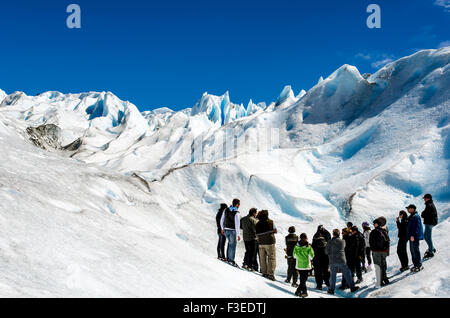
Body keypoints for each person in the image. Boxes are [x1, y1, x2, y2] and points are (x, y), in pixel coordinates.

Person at [325, 229, 360, 295]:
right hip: (341, 260)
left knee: (333, 276)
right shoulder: (343, 241)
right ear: (339, 234)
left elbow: (326, 251)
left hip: (332, 260)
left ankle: (331, 289)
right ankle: (352, 287)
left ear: (333, 234)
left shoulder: (329, 242)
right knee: (347, 273)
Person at [255, 210, 277, 281]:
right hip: (269, 242)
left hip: (261, 243)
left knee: (262, 258)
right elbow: (275, 230)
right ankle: (270, 274)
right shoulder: (270, 222)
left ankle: (264, 272)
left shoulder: (257, 224)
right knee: (271, 258)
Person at [370, 217, 390, 288]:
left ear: (376, 224)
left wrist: (373, 249)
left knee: (378, 266)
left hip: (376, 252)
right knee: (383, 265)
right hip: (384, 251)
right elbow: (388, 240)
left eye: (374, 224)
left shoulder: (373, 232)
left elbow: (371, 242)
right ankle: (385, 278)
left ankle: (380, 281)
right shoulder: (384, 231)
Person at [220, 199, 241, 267]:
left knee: (229, 243)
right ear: (237, 204)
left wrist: (222, 228)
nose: (239, 205)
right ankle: (231, 260)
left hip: (226, 230)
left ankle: (228, 258)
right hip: (232, 231)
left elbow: (222, 219)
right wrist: (238, 234)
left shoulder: (226, 210)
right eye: (239, 204)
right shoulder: (236, 212)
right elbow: (237, 224)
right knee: (232, 245)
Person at [293, 233, 315, 298]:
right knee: (304, 280)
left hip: (299, 265)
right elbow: (312, 256)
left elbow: (294, 256)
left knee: (302, 279)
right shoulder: (308, 247)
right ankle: (303, 292)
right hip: (306, 265)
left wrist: (299, 257)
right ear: (306, 238)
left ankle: (299, 291)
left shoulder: (296, 246)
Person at [407, 204, 424, 272]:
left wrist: (413, 235)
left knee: (416, 250)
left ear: (412, 209)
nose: (408, 210)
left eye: (408, 208)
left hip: (414, 237)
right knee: (413, 251)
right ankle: (415, 265)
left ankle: (419, 265)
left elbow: (417, 227)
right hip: (411, 236)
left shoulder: (415, 216)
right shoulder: (411, 216)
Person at [421, 194, 438, 259]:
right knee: (426, 236)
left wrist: (423, 214)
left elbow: (425, 214)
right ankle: (432, 248)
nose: (424, 199)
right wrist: (424, 213)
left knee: (428, 236)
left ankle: (431, 252)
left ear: (428, 198)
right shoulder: (430, 204)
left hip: (429, 223)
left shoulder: (429, 205)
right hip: (430, 222)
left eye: (425, 198)